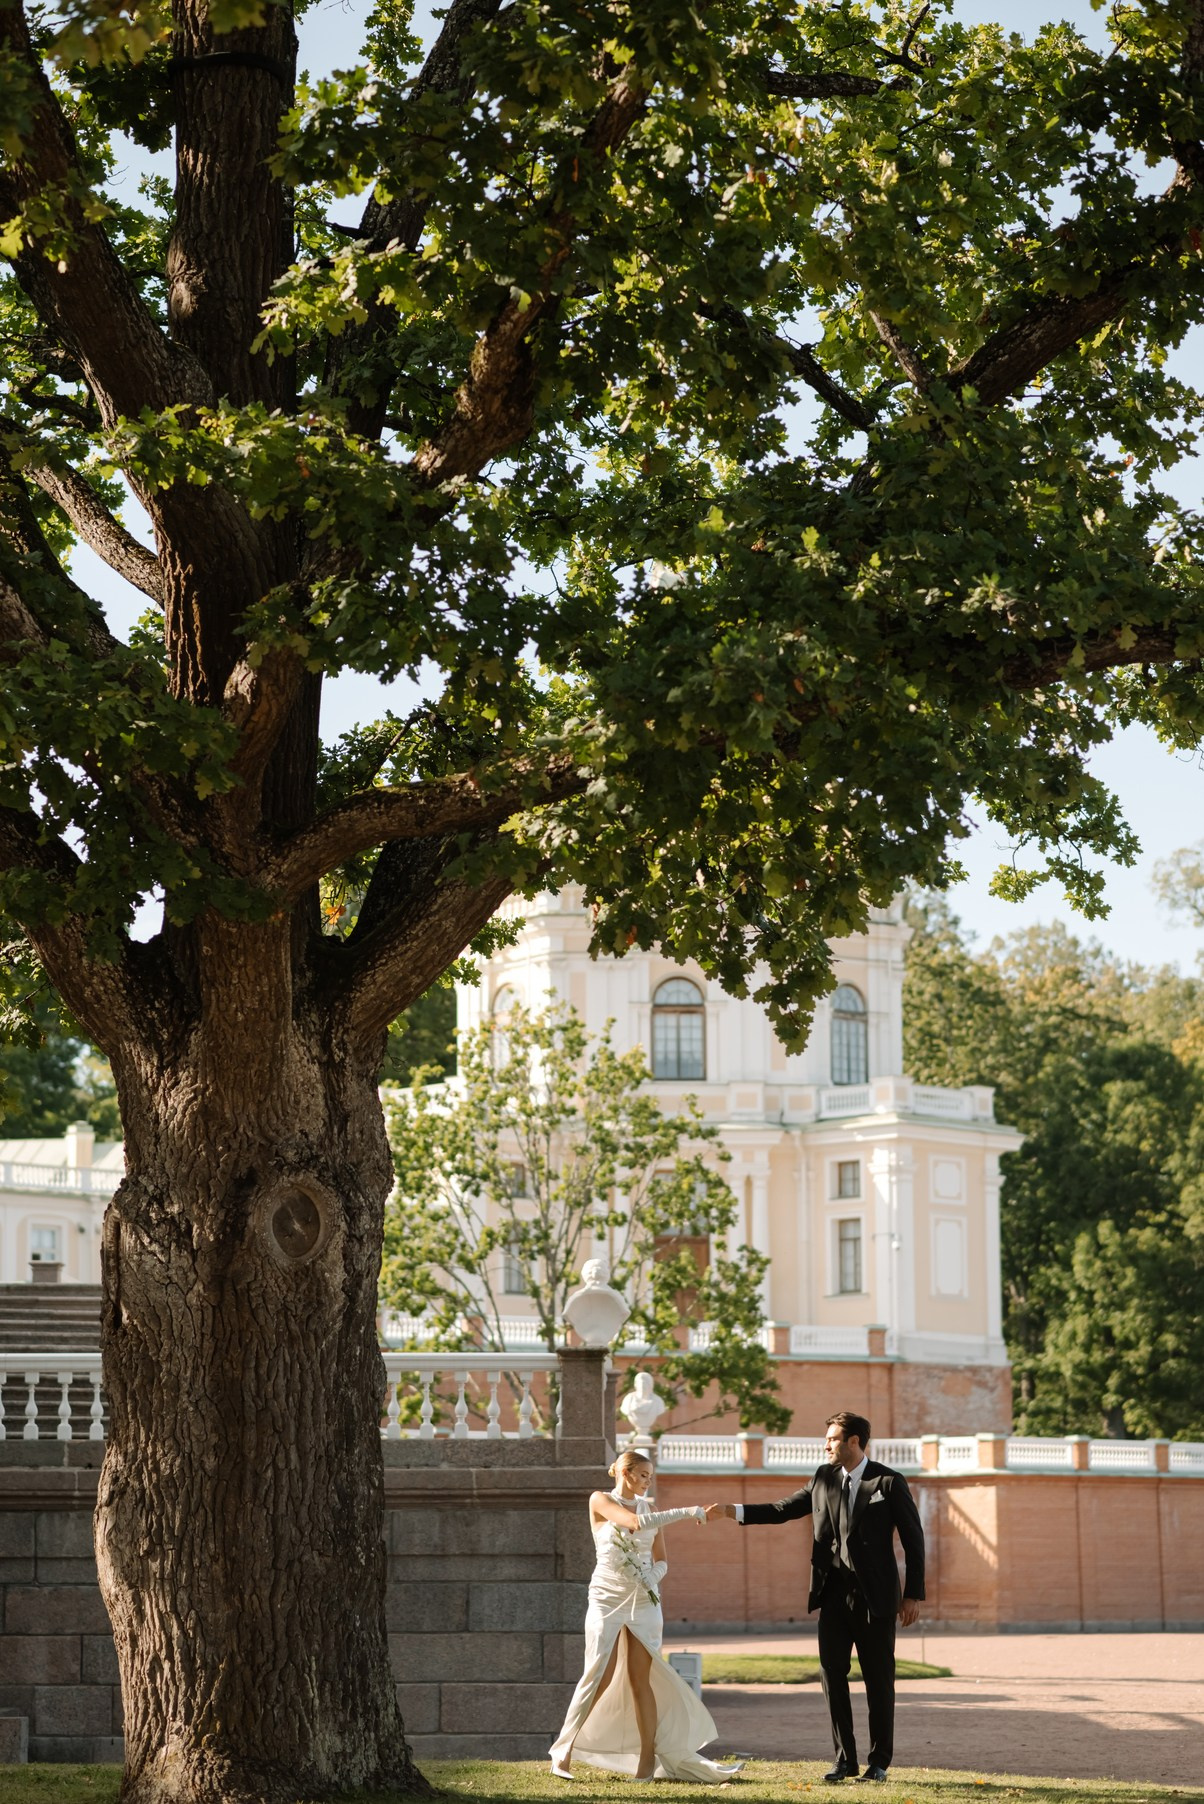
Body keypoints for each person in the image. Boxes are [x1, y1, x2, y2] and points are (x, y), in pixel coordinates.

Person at [706, 1410, 924, 1784]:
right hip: (833, 1596)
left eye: (833, 1439)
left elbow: (913, 1539)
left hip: (876, 1600)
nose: (826, 1446)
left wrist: (913, 1595)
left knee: (878, 1680)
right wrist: (733, 1511)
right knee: (830, 1676)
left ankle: (879, 1762)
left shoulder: (887, 1482)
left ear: (854, 1441)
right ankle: (845, 1761)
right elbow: (783, 1509)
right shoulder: (823, 1478)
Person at [549, 1448, 743, 1783]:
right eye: (643, 1475)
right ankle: (563, 1752)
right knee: (598, 1675)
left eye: (650, 1476)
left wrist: (651, 1578)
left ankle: (645, 1764)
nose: (647, 1481)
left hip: (644, 1601)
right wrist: (690, 1511)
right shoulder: (600, 1500)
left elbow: (662, 1558)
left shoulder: (650, 1508)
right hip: (606, 1597)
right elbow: (633, 1523)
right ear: (625, 1472)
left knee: (642, 1681)